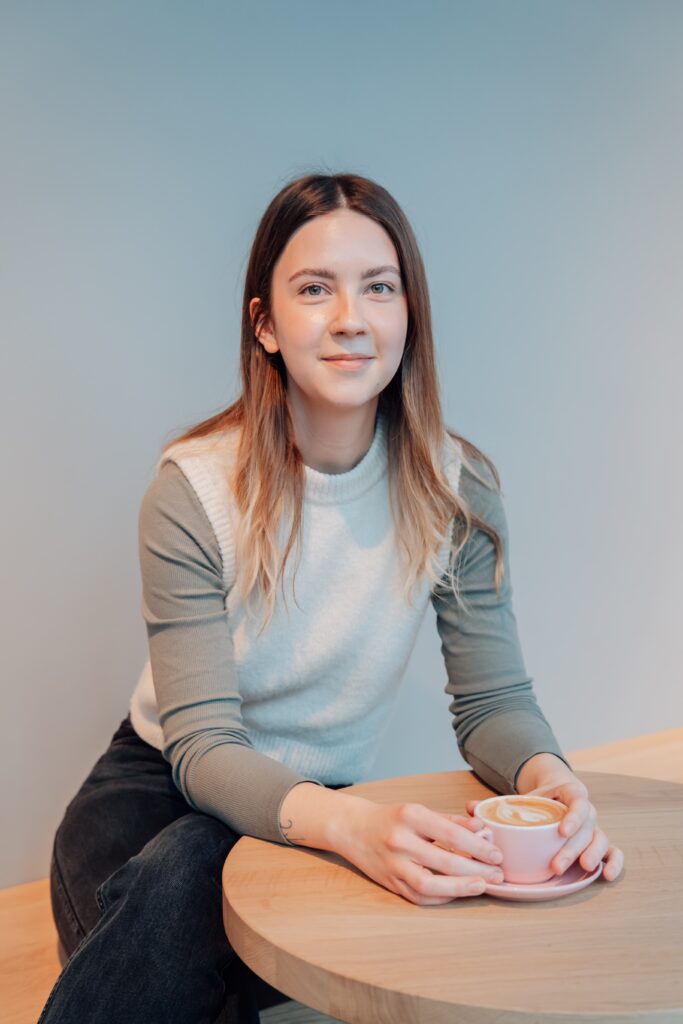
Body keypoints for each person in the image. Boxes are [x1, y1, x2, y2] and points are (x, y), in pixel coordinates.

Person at [39, 171, 624, 1024]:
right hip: (155, 791)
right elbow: (203, 747)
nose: (351, 318)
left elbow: (493, 700)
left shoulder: (457, 490)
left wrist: (554, 782)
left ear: (407, 315)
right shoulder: (193, 489)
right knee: (195, 868)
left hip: (315, 812)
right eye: (315, 289)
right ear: (266, 325)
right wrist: (352, 831)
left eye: (378, 288)